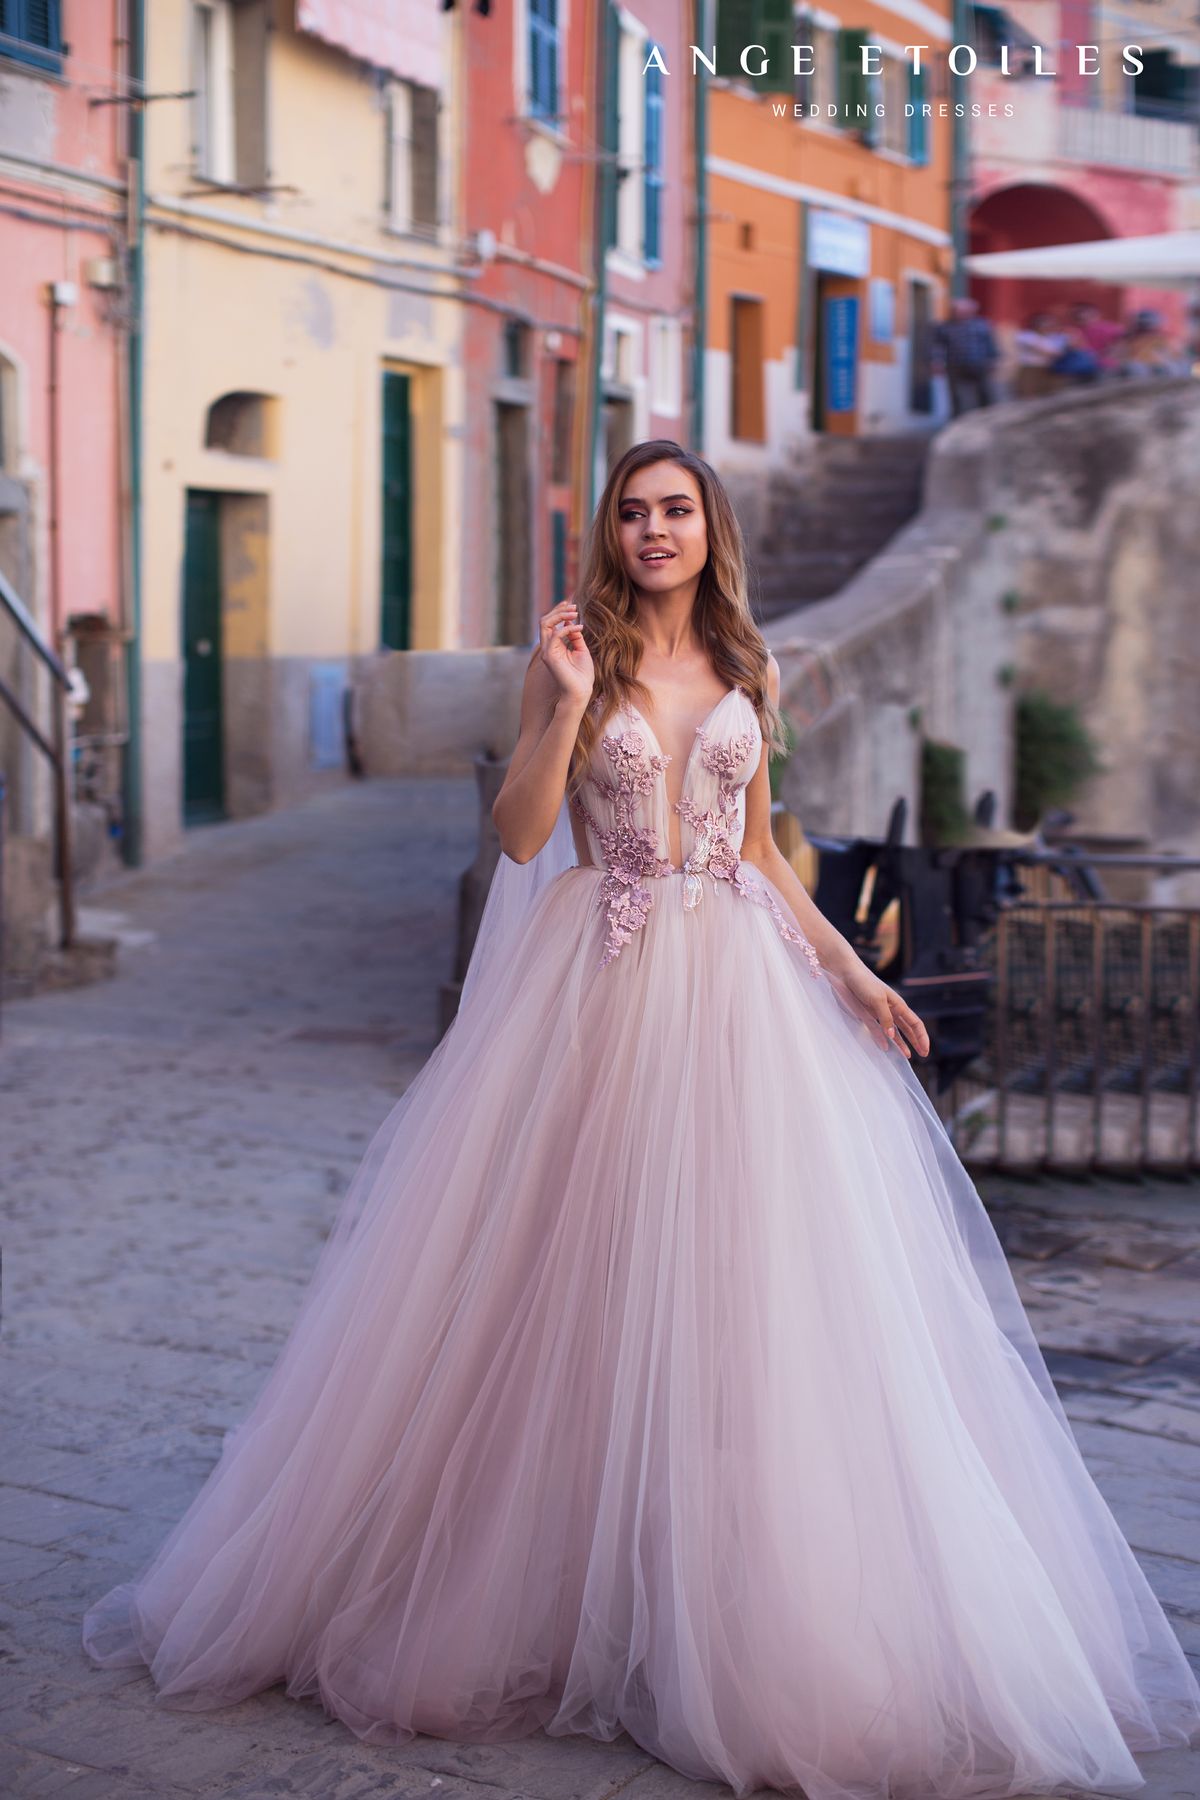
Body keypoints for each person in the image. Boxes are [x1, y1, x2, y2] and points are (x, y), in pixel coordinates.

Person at [82, 441, 1200, 1799]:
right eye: (634, 512)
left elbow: (763, 853)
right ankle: (541, 1583)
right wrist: (557, 705)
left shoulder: (752, 666)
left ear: (709, 527)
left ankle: (723, 1596)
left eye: (676, 510)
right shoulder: (571, 658)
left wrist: (855, 977)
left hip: (739, 999)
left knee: (748, 1303)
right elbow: (515, 834)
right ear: (610, 533)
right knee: (563, 1284)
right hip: (597, 991)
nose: (655, 530)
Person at [933, 295, 999, 415]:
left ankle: (986, 416)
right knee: (955, 393)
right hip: (954, 364)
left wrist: (992, 360)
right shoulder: (945, 327)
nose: (961, 314)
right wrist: (937, 362)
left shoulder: (982, 325)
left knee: (983, 391)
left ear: (972, 311)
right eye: (958, 311)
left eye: (965, 311)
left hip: (978, 363)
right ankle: (957, 417)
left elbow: (990, 343)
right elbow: (938, 346)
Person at [1011, 309, 1067, 399]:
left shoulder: (1056, 337)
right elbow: (1048, 351)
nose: (1046, 326)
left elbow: (1060, 352)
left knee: (1051, 395)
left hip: (1051, 369)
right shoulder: (1026, 336)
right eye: (1043, 323)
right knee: (1029, 395)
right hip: (1031, 368)